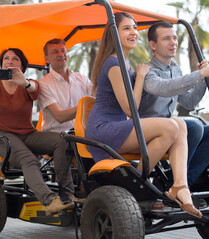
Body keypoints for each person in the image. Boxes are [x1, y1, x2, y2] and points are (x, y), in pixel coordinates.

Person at [85, 12, 202, 218]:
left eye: (134, 27)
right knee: (171, 126)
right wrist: (140, 78)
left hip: (119, 127)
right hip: (104, 129)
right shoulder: (113, 64)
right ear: (114, 34)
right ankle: (139, 185)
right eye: (126, 28)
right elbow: (130, 109)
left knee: (180, 125)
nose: (133, 32)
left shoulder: (125, 62)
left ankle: (179, 186)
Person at [0, 48, 78, 216]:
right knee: (27, 158)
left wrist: (24, 82)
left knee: (62, 140)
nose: (10, 61)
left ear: (22, 65)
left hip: (27, 135)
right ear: (1, 64)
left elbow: (35, 91)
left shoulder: (28, 84)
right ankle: (49, 201)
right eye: (6, 58)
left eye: (15, 59)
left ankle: (68, 193)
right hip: (0, 136)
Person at [139, 21, 209, 189]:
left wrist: (203, 79)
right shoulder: (147, 71)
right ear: (153, 45)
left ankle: (183, 183)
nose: (173, 42)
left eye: (174, 37)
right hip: (149, 133)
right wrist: (200, 73)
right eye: (166, 39)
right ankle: (174, 185)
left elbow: (189, 102)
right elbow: (164, 88)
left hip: (172, 128)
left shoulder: (175, 69)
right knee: (193, 127)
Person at [38, 38, 92, 133]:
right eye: (55, 52)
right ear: (47, 59)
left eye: (63, 50)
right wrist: (86, 105)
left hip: (84, 133)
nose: (61, 54)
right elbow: (60, 117)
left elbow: (97, 98)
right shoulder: (43, 84)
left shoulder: (82, 78)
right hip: (58, 137)